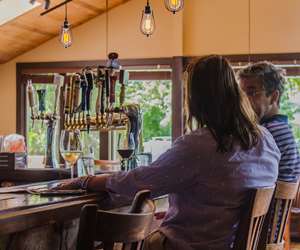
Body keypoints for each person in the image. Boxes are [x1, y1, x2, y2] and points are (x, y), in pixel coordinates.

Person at [56, 55, 280, 250]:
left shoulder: (199, 145)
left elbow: (141, 181)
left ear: (196, 99)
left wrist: (87, 181)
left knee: (131, 236)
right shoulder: (266, 140)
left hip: (189, 247)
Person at [238, 62, 300, 183]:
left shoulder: (269, 132)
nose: (243, 101)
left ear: (273, 97)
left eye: (251, 93)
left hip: (269, 201)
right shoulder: (281, 127)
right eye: (241, 94)